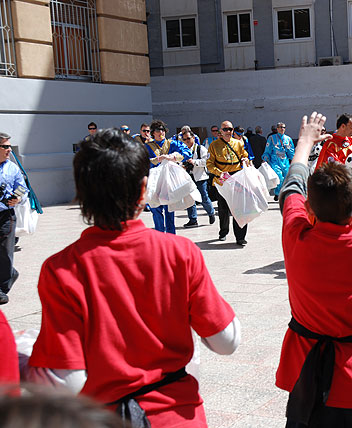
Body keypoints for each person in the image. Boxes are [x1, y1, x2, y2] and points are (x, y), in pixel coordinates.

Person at [27, 128, 240, 427]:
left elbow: (66, 379)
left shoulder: (60, 269)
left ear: (81, 194)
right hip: (178, 414)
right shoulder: (180, 253)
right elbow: (226, 341)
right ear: (143, 191)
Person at [275, 112, 352, 428]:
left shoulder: (296, 235)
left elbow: (291, 189)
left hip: (303, 369)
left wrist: (305, 141)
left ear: (309, 209)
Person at [143, 119, 192, 234]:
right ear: (152, 133)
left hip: (168, 181)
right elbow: (140, 160)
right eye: (158, 130)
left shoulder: (172, 143)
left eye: (163, 130)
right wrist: (154, 160)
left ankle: (171, 238)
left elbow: (187, 152)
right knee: (155, 209)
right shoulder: (147, 146)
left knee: (170, 210)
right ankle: (160, 237)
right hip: (154, 182)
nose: (161, 132)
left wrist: (174, 157)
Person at [207, 120, 251, 245]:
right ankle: (223, 231)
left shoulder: (238, 143)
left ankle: (240, 236)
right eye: (225, 129)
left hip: (237, 177)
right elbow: (209, 164)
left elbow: (245, 155)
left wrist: (245, 159)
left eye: (230, 129)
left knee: (240, 208)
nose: (228, 132)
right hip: (222, 179)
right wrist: (218, 172)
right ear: (220, 131)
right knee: (223, 209)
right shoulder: (214, 145)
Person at [0, 132, 26, 305]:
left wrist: (17, 198)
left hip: (5, 217)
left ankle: (2, 289)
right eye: (5, 146)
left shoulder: (12, 168)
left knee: (4, 253)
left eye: (9, 146)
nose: (9, 149)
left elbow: (23, 189)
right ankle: (10, 273)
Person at [181, 130, 216, 228]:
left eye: (188, 138)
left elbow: (207, 161)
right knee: (189, 198)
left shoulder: (201, 148)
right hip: (187, 177)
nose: (187, 141)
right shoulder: (182, 150)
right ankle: (193, 219)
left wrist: (194, 162)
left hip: (200, 177)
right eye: (184, 139)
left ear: (193, 137)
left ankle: (211, 212)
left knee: (203, 197)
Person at [263, 122, 295, 201]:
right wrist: (265, 158)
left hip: (285, 161)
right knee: (279, 177)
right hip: (275, 161)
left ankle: (283, 193)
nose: (282, 129)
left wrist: (294, 160)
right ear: (277, 129)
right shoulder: (271, 138)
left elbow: (291, 152)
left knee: (286, 178)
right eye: (280, 127)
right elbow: (268, 150)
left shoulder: (288, 139)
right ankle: (277, 193)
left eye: (284, 127)